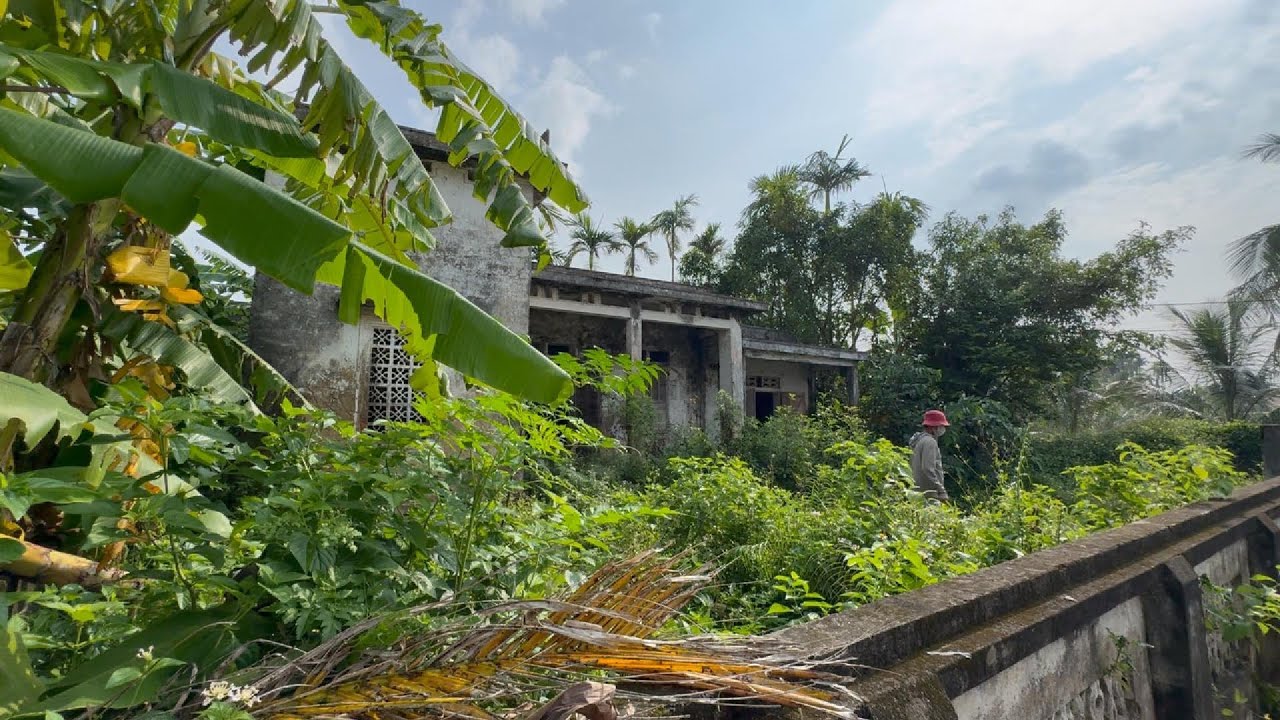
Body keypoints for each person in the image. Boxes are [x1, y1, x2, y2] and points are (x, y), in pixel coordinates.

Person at [909, 410, 950, 502]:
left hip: (916, 490)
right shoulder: (930, 442)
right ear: (933, 427)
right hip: (929, 493)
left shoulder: (918, 440)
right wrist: (940, 489)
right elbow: (928, 468)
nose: (943, 429)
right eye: (941, 426)